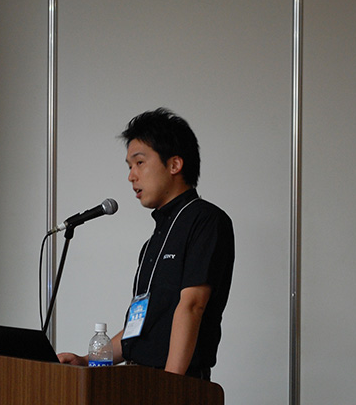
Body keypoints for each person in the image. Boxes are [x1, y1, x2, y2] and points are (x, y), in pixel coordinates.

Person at [58, 108, 234, 380]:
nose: (131, 176)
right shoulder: (155, 240)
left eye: (139, 163)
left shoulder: (206, 220)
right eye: (129, 166)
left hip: (178, 385)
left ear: (175, 165)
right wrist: (88, 360)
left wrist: (170, 385)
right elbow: (139, 325)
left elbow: (192, 306)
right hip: (141, 381)